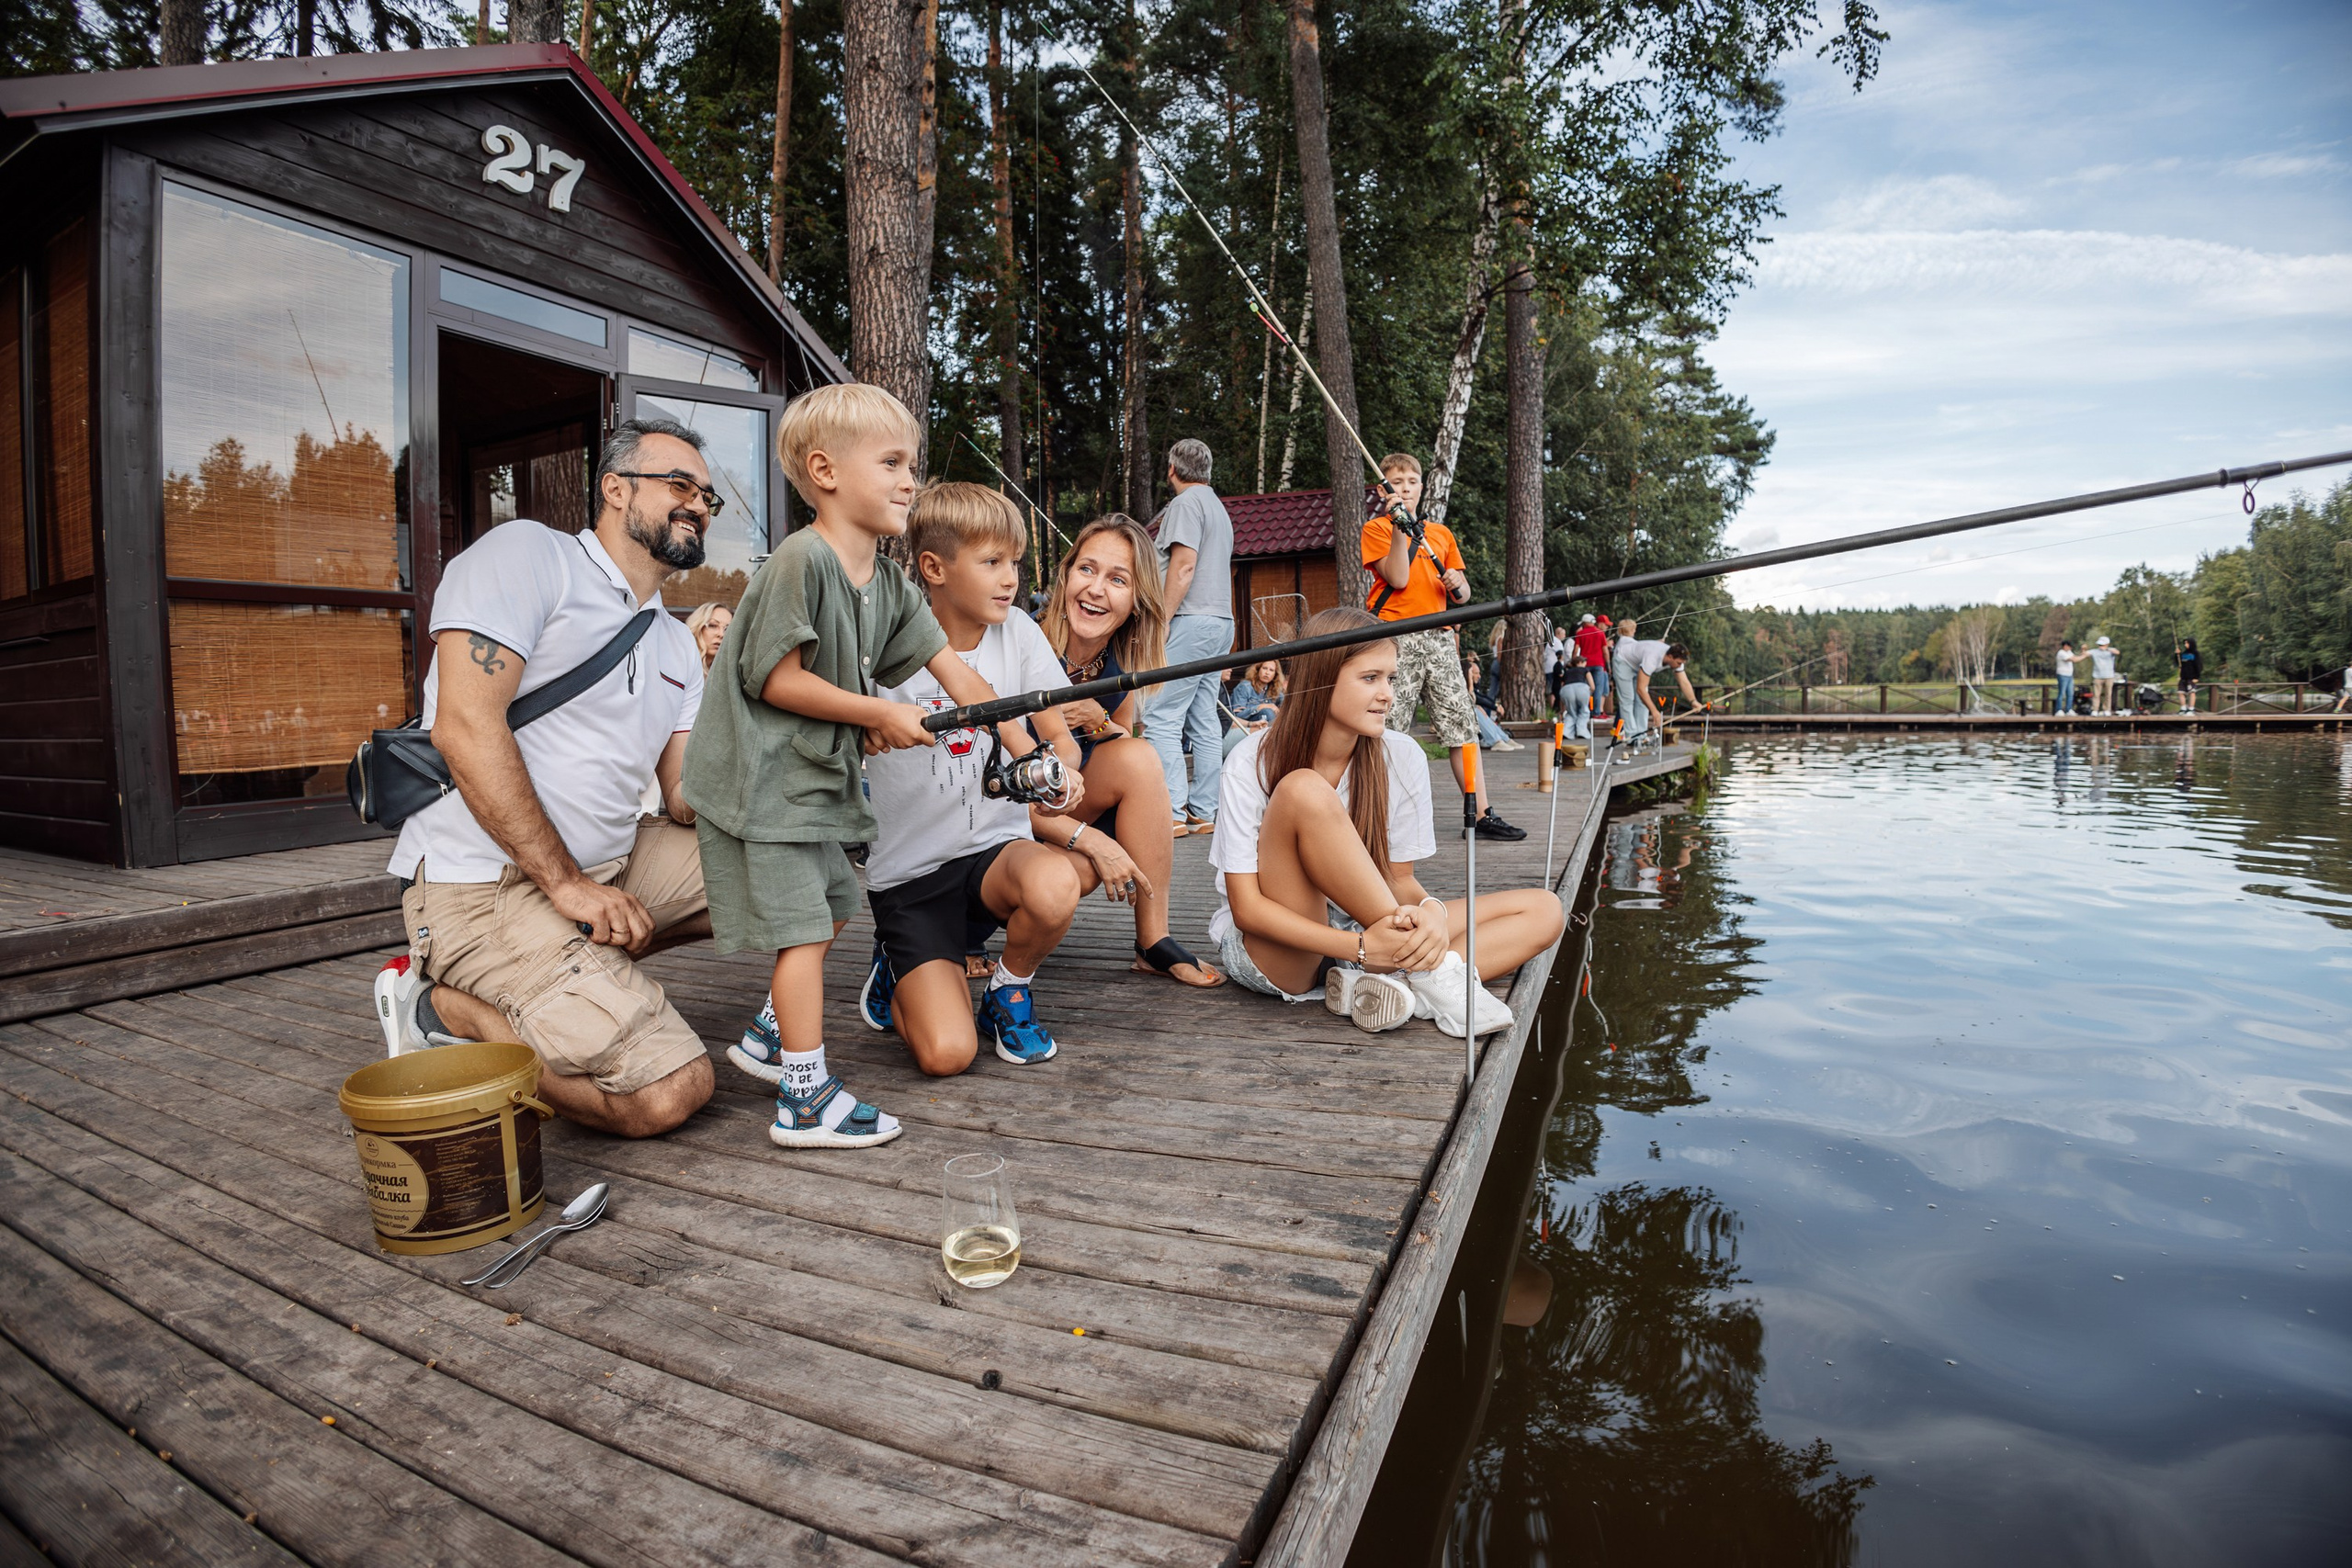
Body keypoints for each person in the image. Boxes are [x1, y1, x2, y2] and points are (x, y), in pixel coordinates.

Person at [372, 417, 718, 1138]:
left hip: (612, 865)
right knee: (668, 1091)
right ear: (616, 489)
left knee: (792, 870)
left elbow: (685, 796)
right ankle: (439, 1010)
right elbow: (465, 727)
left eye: (708, 496)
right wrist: (566, 885)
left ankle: (577, 971)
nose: (699, 504)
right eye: (680, 484)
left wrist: (784, 751)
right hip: (483, 887)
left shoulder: (676, 644)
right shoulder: (530, 556)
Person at [684, 382, 1008, 1149]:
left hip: (808, 786)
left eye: (912, 465)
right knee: (803, 934)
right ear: (825, 472)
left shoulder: (888, 583)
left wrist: (1027, 743)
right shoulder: (801, 560)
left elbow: (955, 673)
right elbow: (776, 680)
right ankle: (802, 1098)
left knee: (834, 903)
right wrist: (878, 714)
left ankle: (769, 1033)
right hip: (760, 783)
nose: (909, 481)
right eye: (891, 462)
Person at [858, 483, 1134, 1073]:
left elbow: (1060, 738)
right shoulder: (880, 641)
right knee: (946, 1055)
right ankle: (900, 963)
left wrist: (1061, 775)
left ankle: (1008, 989)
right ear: (934, 568)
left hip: (993, 855)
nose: (1011, 580)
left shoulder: (1021, 631)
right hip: (910, 878)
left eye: (1015, 562)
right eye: (991, 563)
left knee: (1055, 883)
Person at [1211, 607, 1566, 1038]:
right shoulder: (1250, 760)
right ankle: (1432, 974)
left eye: (1391, 679)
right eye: (1370, 678)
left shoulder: (1401, 755)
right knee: (1303, 789)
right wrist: (1361, 948)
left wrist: (1429, 913)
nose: (1388, 695)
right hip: (1283, 950)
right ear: (1321, 678)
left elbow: (1399, 879)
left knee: (1545, 910)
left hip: (1371, 933)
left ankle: (1390, 987)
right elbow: (1247, 909)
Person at [1035, 512, 1226, 987]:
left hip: (1067, 805)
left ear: (1137, 600)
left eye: (1117, 579)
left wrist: (1093, 716)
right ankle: (960, 930)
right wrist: (1090, 839)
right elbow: (984, 788)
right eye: (1087, 569)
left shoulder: (1117, 658)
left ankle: (1152, 940)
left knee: (1140, 757)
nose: (1097, 589)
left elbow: (1121, 740)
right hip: (1004, 819)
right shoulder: (1025, 645)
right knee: (1077, 869)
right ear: (1066, 575)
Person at [1360, 452, 1524, 840]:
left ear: (1421, 486)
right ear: (1383, 490)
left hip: (1439, 637)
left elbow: (1463, 595)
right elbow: (1398, 578)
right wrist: (1398, 525)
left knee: (1461, 724)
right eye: (1396, 482)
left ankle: (1480, 814)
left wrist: (1457, 582)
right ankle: (1377, 815)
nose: (1405, 488)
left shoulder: (1440, 534)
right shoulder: (1376, 529)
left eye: (1411, 482)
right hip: (1395, 635)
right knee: (1389, 726)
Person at [1141, 438, 1236, 835]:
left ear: (1172, 469)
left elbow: (1183, 566)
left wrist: (1161, 619)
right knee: (1203, 718)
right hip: (1221, 621)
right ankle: (1204, 810)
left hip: (1190, 620)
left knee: (1159, 715)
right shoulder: (1218, 507)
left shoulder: (1184, 505)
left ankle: (1172, 811)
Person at [1610, 618, 1697, 748]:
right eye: (1679, 663)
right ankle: (1632, 737)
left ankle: (1641, 735)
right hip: (1623, 660)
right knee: (1628, 699)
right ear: (1670, 657)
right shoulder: (1652, 658)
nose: (1680, 666)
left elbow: (1684, 682)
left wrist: (1693, 701)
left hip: (1637, 663)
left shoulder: (1676, 659)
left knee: (1642, 701)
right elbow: (1641, 689)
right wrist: (1655, 711)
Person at [1224, 658, 1283, 760]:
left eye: (1271, 670)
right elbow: (1236, 715)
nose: (1267, 673)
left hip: (1264, 727)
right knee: (1267, 712)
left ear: (1275, 675)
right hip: (1243, 726)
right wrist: (1260, 707)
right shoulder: (1245, 687)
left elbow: (1286, 706)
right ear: (1258, 670)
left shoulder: (1275, 690)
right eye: (1264, 668)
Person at [1573, 613, 1611, 717]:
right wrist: (1608, 665)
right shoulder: (1600, 633)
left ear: (1585, 623)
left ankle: (1584, 710)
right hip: (1599, 664)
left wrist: (1573, 662)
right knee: (1598, 689)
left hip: (1584, 664)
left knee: (1585, 688)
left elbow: (1576, 649)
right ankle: (1596, 712)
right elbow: (1605, 651)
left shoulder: (1580, 633)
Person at [1559, 645, 1594, 740]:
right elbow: (1592, 686)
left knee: (1571, 712)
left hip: (1566, 690)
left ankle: (1566, 732)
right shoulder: (1585, 670)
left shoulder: (1567, 672)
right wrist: (1589, 694)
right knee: (1584, 711)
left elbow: (1562, 685)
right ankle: (1581, 732)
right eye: (1585, 662)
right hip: (1581, 688)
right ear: (1580, 662)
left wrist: (1562, 705)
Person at [685, 602, 732, 671]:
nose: (721, 634)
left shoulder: (730, 671)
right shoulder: (681, 666)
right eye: (713, 625)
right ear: (698, 627)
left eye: (727, 629)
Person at [2087, 635, 2120, 716]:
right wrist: (2083, 649)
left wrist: (2107, 649)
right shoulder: (2094, 651)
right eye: (2100, 644)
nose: (2100, 646)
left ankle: (2107, 709)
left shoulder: (2111, 651)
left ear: (2107, 644)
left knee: (2108, 694)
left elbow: (2117, 652)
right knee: (2096, 694)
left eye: (2102, 644)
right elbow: (2085, 653)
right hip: (2097, 676)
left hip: (2109, 676)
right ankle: (2095, 709)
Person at [2176, 637, 2202, 713]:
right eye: (2185, 643)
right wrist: (2177, 654)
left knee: (2192, 692)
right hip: (2183, 677)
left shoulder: (2195, 653)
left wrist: (2197, 677)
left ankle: (2191, 709)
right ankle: (2183, 708)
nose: (2185, 645)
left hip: (2191, 677)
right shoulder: (2184, 654)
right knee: (2181, 692)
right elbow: (2179, 663)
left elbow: (2199, 666)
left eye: (2187, 643)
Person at [2053, 639, 2078, 716]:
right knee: (2062, 693)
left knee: (2070, 693)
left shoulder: (2069, 652)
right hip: (2062, 675)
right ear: (2065, 646)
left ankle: (2068, 709)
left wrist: (2084, 653)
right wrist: (2083, 655)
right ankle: (2059, 710)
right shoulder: (2061, 653)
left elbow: (2075, 658)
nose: (2070, 648)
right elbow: (2072, 659)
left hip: (2070, 675)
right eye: (2069, 646)